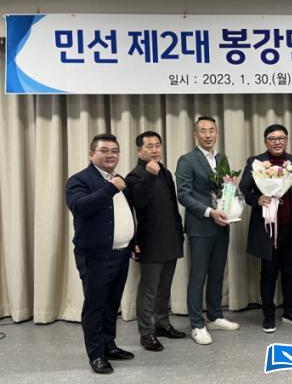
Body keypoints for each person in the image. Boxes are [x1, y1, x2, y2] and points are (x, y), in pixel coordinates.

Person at [65, 133, 137, 374]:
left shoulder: (118, 180)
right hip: (95, 256)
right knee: (95, 307)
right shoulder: (79, 180)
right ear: (91, 154)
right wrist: (110, 188)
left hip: (121, 254)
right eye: (104, 150)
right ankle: (96, 354)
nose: (110, 155)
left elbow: (125, 214)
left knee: (111, 304)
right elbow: (80, 207)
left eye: (114, 151)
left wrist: (133, 241)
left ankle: (109, 345)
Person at [239, 124, 292, 333]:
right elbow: (244, 189)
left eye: (281, 138)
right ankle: (268, 315)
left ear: (286, 140)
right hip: (267, 228)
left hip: (291, 227)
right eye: (272, 138)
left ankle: (289, 311)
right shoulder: (256, 162)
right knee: (268, 272)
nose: (277, 142)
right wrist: (257, 198)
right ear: (265, 141)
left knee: (290, 271)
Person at [176, 116, 239, 345]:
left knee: (217, 272)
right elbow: (183, 195)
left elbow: (224, 191)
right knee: (198, 275)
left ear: (217, 133)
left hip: (222, 225)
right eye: (202, 131)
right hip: (200, 226)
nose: (208, 134)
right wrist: (210, 212)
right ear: (195, 134)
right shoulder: (187, 160)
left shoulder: (221, 159)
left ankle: (214, 316)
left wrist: (231, 192)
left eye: (211, 130)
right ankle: (197, 324)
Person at [125, 131, 185, 352]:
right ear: (139, 150)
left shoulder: (165, 172)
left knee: (164, 288)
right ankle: (146, 333)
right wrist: (150, 176)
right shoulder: (134, 175)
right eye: (149, 146)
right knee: (148, 290)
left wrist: (179, 231)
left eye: (157, 145)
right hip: (150, 241)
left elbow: (172, 205)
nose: (155, 150)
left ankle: (162, 324)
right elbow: (139, 203)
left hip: (171, 238)